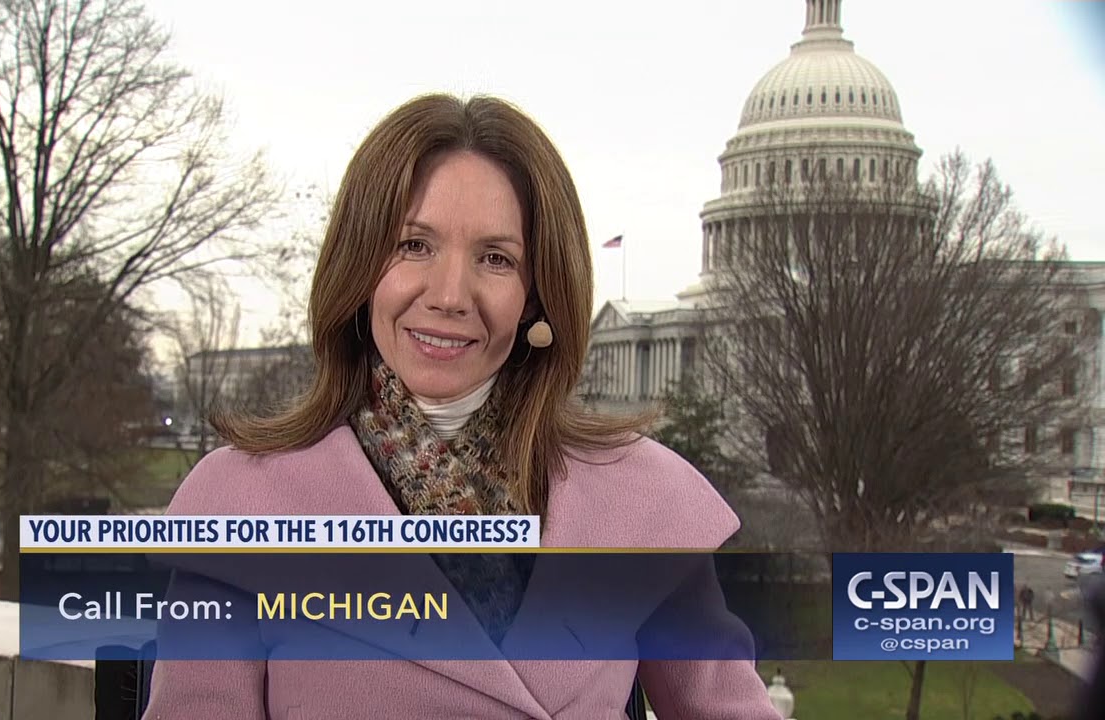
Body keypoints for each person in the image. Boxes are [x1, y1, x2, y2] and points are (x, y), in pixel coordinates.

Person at [142, 93, 778, 719]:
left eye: (495, 259)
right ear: (360, 270)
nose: (449, 295)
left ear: (536, 299)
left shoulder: (645, 506)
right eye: (414, 245)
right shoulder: (240, 504)